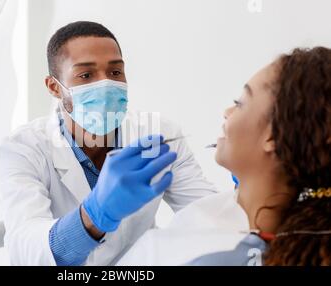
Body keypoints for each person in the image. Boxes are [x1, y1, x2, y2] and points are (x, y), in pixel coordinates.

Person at [0, 21, 217, 266]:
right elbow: (26, 251)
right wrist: (93, 216)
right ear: (54, 87)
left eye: (115, 72)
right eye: (86, 75)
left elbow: (208, 216)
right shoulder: (22, 149)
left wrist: (250, 189)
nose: (106, 84)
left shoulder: (159, 134)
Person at [117, 47, 331, 266]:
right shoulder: (227, 221)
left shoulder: (218, 257)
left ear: (273, 135)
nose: (227, 112)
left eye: (240, 103)